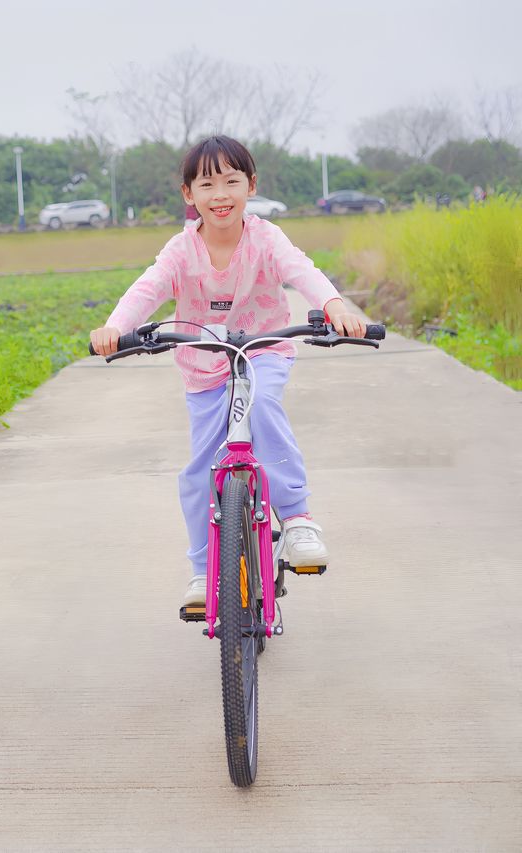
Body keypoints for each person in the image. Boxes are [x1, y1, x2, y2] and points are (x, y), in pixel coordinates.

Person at [90, 135, 365, 607]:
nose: (220, 194)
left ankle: (296, 519)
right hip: (202, 363)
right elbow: (148, 289)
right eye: (207, 184)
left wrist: (334, 304)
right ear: (188, 194)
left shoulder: (265, 238)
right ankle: (203, 571)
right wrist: (116, 327)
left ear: (251, 185)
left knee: (262, 405)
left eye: (232, 181)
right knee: (200, 471)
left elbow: (301, 270)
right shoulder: (181, 250)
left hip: (263, 350)